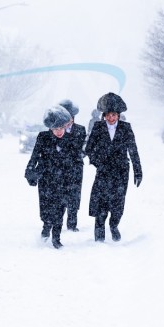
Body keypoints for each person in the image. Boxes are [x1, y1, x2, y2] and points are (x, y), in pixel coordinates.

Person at [84, 92, 142, 242]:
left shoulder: (126, 128)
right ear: (104, 115)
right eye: (108, 115)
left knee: (118, 202)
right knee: (101, 202)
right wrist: (97, 161)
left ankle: (114, 225)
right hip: (103, 171)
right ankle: (99, 233)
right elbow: (89, 148)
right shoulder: (97, 127)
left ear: (118, 115)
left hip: (121, 170)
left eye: (114, 115)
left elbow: (133, 150)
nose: (111, 118)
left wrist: (138, 171)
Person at [24, 105, 79, 249]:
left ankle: (56, 237)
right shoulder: (43, 137)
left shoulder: (70, 139)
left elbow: (75, 161)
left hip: (64, 180)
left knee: (61, 208)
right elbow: (34, 155)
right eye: (56, 129)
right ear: (50, 129)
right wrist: (30, 171)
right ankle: (46, 226)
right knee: (46, 207)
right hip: (46, 178)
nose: (59, 132)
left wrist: (73, 179)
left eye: (61, 128)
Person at [58, 98, 87, 232]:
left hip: (75, 167)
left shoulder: (81, 129)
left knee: (75, 195)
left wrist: (81, 153)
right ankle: (57, 221)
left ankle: (72, 223)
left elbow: (82, 147)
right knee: (60, 195)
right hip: (60, 168)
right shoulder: (56, 131)